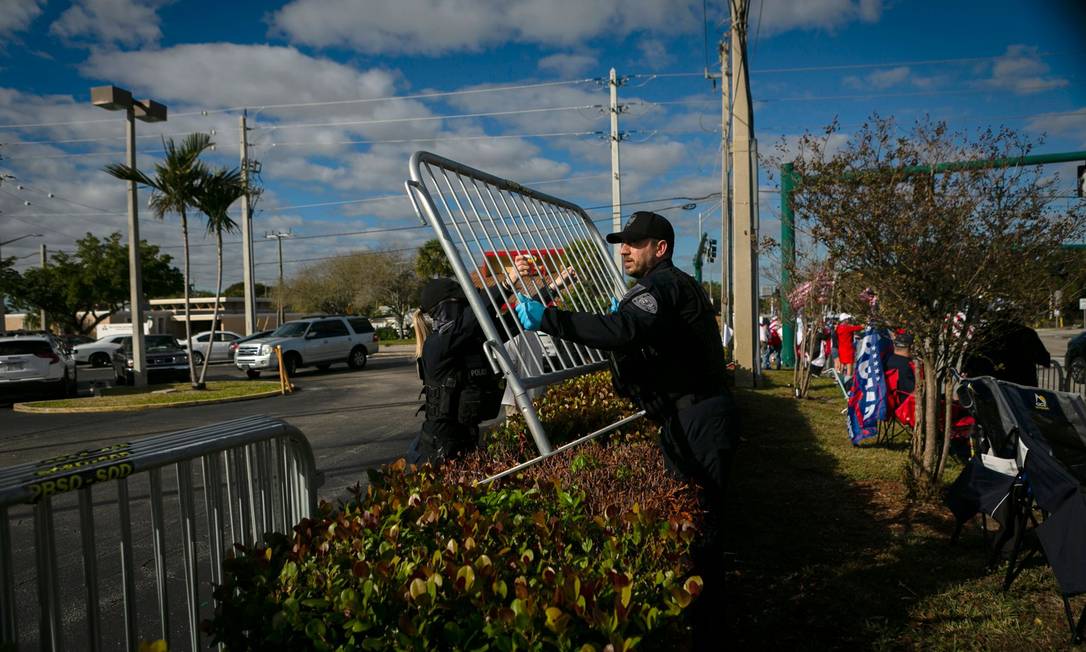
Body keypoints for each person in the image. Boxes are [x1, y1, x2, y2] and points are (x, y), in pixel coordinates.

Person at [513, 211, 739, 650]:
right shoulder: (660, 290)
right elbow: (638, 346)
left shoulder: (662, 287)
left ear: (661, 248)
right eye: (622, 242)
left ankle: (706, 632)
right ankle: (700, 623)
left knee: (700, 528)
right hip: (693, 414)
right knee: (694, 523)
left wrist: (550, 318)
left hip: (699, 417)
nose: (624, 249)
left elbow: (621, 331)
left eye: (635, 243)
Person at [410, 261, 574, 465]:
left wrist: (552, 288)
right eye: (465, 303)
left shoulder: (468, 339)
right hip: (437, 450)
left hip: (465, 441)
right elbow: (470, 320)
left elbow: (515, 321)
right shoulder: (436, 345)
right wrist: (506, 284)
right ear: (446, 309)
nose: (470, 308)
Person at [963, 318, 1051, 386]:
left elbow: (966, 364)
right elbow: (1044, 359)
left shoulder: (982, 333)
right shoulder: (1027, 333)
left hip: (985, 389)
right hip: (1020, 391)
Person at [835, 313, 864, 378]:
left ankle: (839, 379)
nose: (848, 320)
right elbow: (859, 328)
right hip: (848, 349)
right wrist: (864, 325)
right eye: (847, 319)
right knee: (849, 365)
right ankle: (848, 380)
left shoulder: (839, 328)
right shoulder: (847, 328)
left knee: (842, 364)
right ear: (845, 320)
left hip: (841, 349)